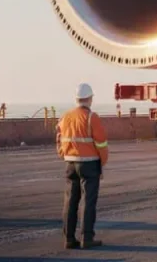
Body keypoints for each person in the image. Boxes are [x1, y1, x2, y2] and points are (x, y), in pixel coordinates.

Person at [56, 82, 109, 249]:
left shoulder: (65, 117)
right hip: (89, 164)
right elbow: (101, 143)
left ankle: (69, 239)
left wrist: (64, 155)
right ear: (90, 99)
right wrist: (102, 162)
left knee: (70, 201)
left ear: (76, 98)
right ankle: (87, 237)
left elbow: (59, 140)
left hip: (70, 163)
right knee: (88, 201)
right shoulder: (92, 117)